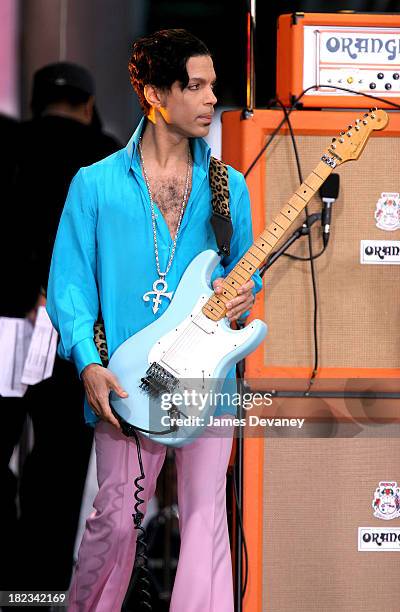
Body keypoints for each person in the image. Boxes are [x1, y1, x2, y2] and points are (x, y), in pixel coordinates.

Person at [46, 30, 261, 611]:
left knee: (204, 523)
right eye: (196, 86)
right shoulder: (93, 185)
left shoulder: (228, 187)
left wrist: (243, 297)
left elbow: (244, 271)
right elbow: (69, 287)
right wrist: (88, 366)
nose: (212, 98)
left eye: (213, 85)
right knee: (115, 522)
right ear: (153, 94)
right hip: (124, 383)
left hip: (207, 384)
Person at [0, 62, 121, 603]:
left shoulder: (6, 143)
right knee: (60, 461)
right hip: (75, 330)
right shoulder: (108, 156)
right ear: (89, 106)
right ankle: (40, 592)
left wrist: (26, 287)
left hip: (7, 319)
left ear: (34, 101)